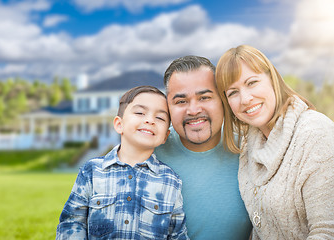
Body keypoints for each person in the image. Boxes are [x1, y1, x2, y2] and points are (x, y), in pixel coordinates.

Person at [215, 44, 334, 239]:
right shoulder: (249, 143)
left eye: (252, 82)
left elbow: (327, 232)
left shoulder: (315, 133)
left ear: (273, 79)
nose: (245, 98)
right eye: (232, 92)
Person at [56, 85, 189, 239]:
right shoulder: (92, 171)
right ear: (119, 124)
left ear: (165, 136)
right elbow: (72, 222)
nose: (150, 120)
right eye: (140, 112)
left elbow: (177, 234)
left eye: (160, 118)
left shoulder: (170, 181)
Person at [154, 55, 252, 239]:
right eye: (181, 101)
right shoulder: (150, 155)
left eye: (204, 97)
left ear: (223, 100)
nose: (193, 110)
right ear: (167, 107)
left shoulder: (250, 150)